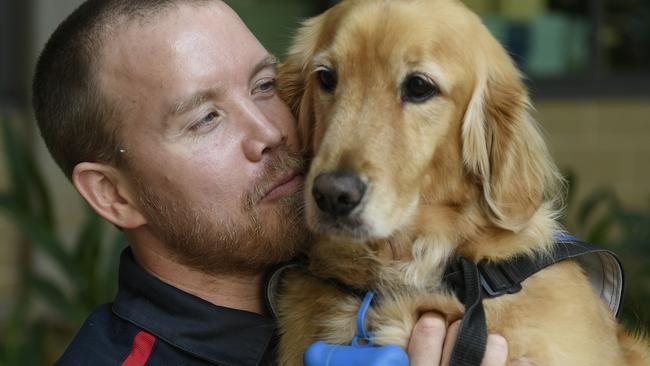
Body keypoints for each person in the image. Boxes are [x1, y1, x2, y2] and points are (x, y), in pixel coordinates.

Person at [32, 0, 521, 365]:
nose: (270, 132)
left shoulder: (437, 260)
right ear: (113, 194)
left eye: (265, 86)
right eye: (206, 118)